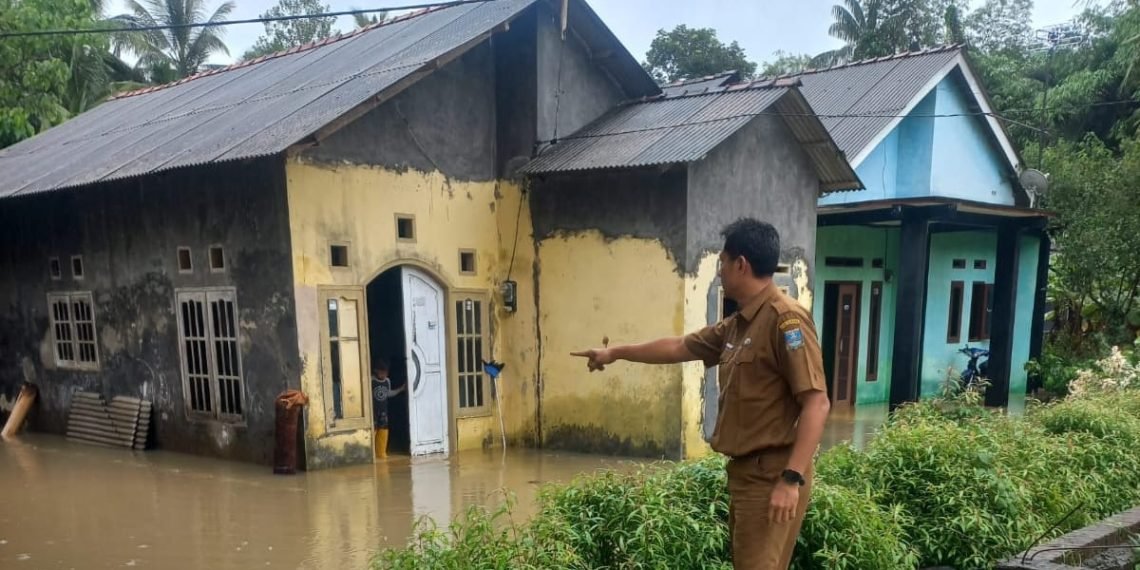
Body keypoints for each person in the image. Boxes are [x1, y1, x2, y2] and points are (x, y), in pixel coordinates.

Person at [571, 218, 830, 570]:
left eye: (722, 261)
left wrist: (791, 479)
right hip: (746, 473)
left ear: (741, 264)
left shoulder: (786, 320)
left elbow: (817, 402)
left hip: (773, 474)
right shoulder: (738, 325)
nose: (719, 269)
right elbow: (679, 346)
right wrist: (614, 353)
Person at [371, 358, 405, 459]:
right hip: (373, 412)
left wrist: (401, 389)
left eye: (385, 372)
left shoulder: (387, 381)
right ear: (376, 370)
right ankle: (372, 454)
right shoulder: (371, 380)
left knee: (383, 431)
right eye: (381, 372)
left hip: (383, 412)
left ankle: (381, 453)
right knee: (373, 432)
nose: (383, 375)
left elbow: (388, 394)